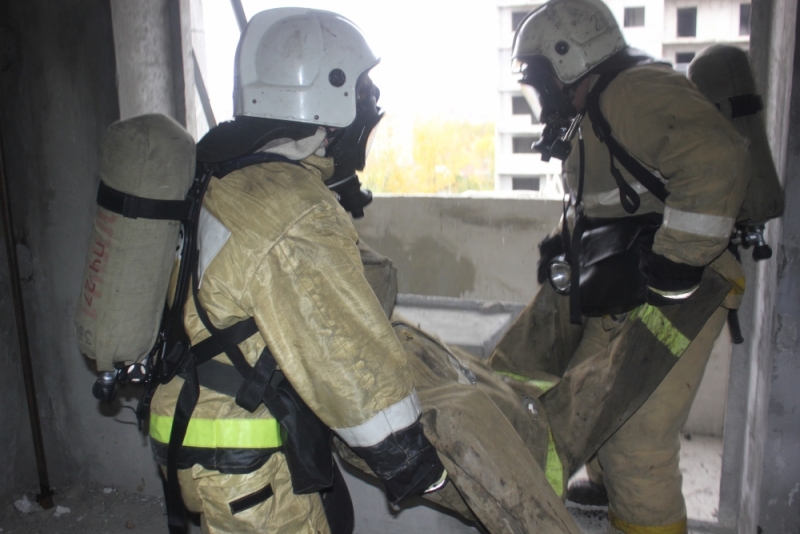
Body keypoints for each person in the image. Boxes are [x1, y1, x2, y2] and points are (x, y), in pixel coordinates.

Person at [147, 9, 445, 533]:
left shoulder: (224, 174)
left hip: (193, 421)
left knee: (334, 516)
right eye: (358, 91)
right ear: (327, 99)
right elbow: (342, 347)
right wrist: (407, 458)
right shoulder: (292, 208)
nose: (366, 104)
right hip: (243, 452)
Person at [488, 0, 751, 533]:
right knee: (589, 403)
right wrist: (565, 243)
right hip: (627, 284)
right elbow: (614, 199)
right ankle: (610, 494)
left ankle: (639, 509)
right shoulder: (595, 104)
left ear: (570, 59)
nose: (541, 95)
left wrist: (677, 262)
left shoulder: (635, 91)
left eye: (542, 79)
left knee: (636, 438)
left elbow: (716, 160)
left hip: (679, 292)